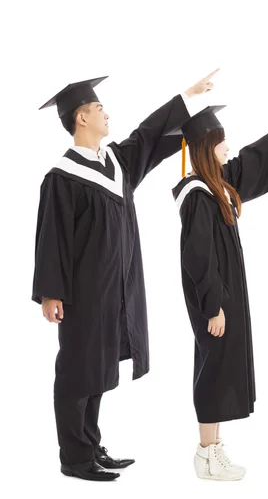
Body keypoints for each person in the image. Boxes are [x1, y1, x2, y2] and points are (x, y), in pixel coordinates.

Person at [33, 69, 217, 481]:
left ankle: (91, 445)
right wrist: (50, 293)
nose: (105, 112)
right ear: (81, 118)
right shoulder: (62, 177)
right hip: (80, 292)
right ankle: (75, 458)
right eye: (98, 107)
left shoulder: (115, 162)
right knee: (77, 371)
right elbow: (52, 237)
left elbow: (148, 135)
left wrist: (186, 101)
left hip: (115, 288)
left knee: (98, 368)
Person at [170, 104, 268, 480]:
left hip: (225, 297)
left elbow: (252, 161)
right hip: (213, 300)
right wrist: (213, 305)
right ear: (206, 148)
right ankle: (205, 452)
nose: (228, 149)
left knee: (219, 368)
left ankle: (213, 448)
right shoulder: (197, 194)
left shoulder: (216, 184)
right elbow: (198, 256)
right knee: (212, 368)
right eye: (221, 144)